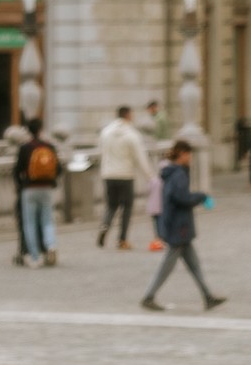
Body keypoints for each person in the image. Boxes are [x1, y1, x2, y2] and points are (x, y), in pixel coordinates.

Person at [138, 140, 225, 312]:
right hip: (179, 226)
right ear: (182, 154)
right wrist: (201, 196)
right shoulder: (178, 174)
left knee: (194, 265)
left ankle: (208, 296)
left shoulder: (171, 172)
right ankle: (148, 296)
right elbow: (181, 198)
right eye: (189, 154)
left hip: (177, 224)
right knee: (167, 266)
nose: (191, 158)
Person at [94, 106, 147, 251]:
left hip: (108, 174)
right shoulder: (132, 134)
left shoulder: (105, 132)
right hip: (125, 175)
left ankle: (105, 225)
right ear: (128, 115)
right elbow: (140, 157)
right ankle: (122, 239)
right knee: (127, 207)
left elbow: (100, 151)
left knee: (111, 205)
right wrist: (150, 176)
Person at [12, 120, 62, 268]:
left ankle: (35, 257)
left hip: (29, 189)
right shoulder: (49, 146)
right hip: (46, 188)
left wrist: (20, 185)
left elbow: (16, 170)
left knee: (30, 223)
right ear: (41, 129)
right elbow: (58, 169)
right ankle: (51, 245)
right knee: (47, 220)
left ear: (28, 131)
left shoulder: (25, 148)